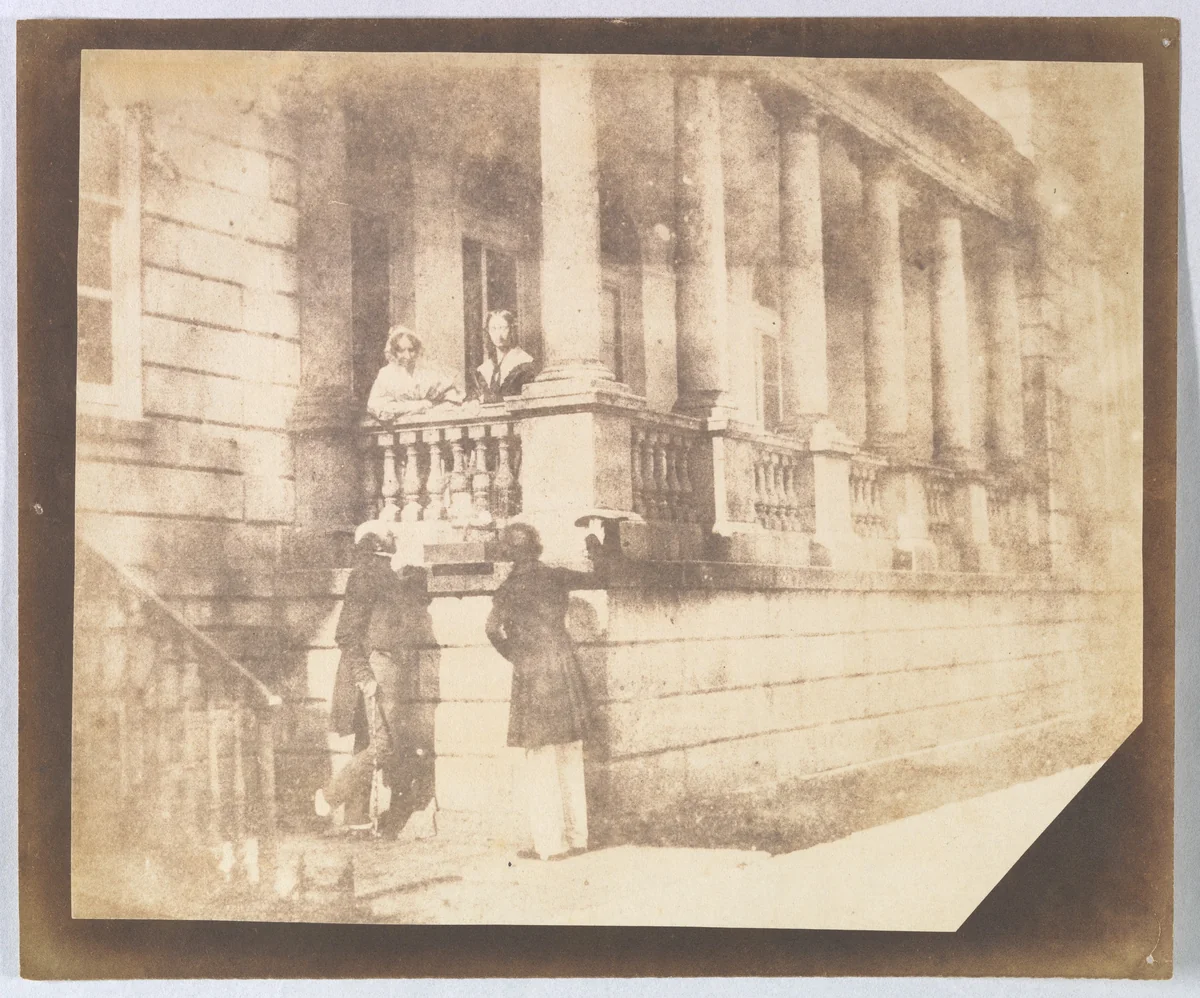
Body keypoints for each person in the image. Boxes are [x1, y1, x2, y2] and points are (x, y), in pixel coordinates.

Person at [485, 523, 609, 861]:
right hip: (564, 665)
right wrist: (595, 541)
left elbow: (491, 630)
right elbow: (600, 577)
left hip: (533, 672)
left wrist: (517, 656)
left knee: (540, 757)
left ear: (509, 552)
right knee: (570, 750)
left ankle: (550, 844)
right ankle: (577, 837)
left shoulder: (508, 588)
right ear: (537, 547)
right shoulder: (555, 576)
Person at [316, 521, 432, 833]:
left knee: (368, 738)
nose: (396, 535)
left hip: (382, 666)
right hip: (374, 668)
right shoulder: (366, 574)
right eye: (389, 533)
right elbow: (346, 633)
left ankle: (357, 819)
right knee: (385, 744)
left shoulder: (382, 573)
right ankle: (331, 794)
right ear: (376, 543)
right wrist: (364, 674)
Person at [367, 325, 464, 422]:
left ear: (417, 350)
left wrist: (436, 409)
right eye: (401, 350)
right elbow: (375, 406)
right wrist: (414, 406)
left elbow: (452, 395)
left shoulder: (428, 371)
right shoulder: (386, 374)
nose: (407, 356)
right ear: (394, 351)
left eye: (411, 350)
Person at [471, 309, 537, 403]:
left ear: (511, 330)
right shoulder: (485, 368)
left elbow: (517, 398)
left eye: (503, 328)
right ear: (488, 332)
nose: (498, 335)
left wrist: (484, 399)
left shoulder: (525, 363)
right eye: (493, 329)